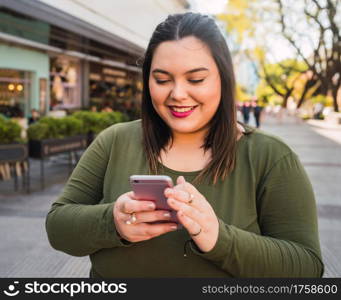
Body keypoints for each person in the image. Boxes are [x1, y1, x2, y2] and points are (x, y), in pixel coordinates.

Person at [45, 13, 323, 278]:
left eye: (196, 79)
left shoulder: (270, 156)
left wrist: (219, 238)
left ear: (223, 79)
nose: (177, 94)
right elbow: (58, 227)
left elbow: (306, 267)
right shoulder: (114, 141)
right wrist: (113, 222)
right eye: (162, 80)